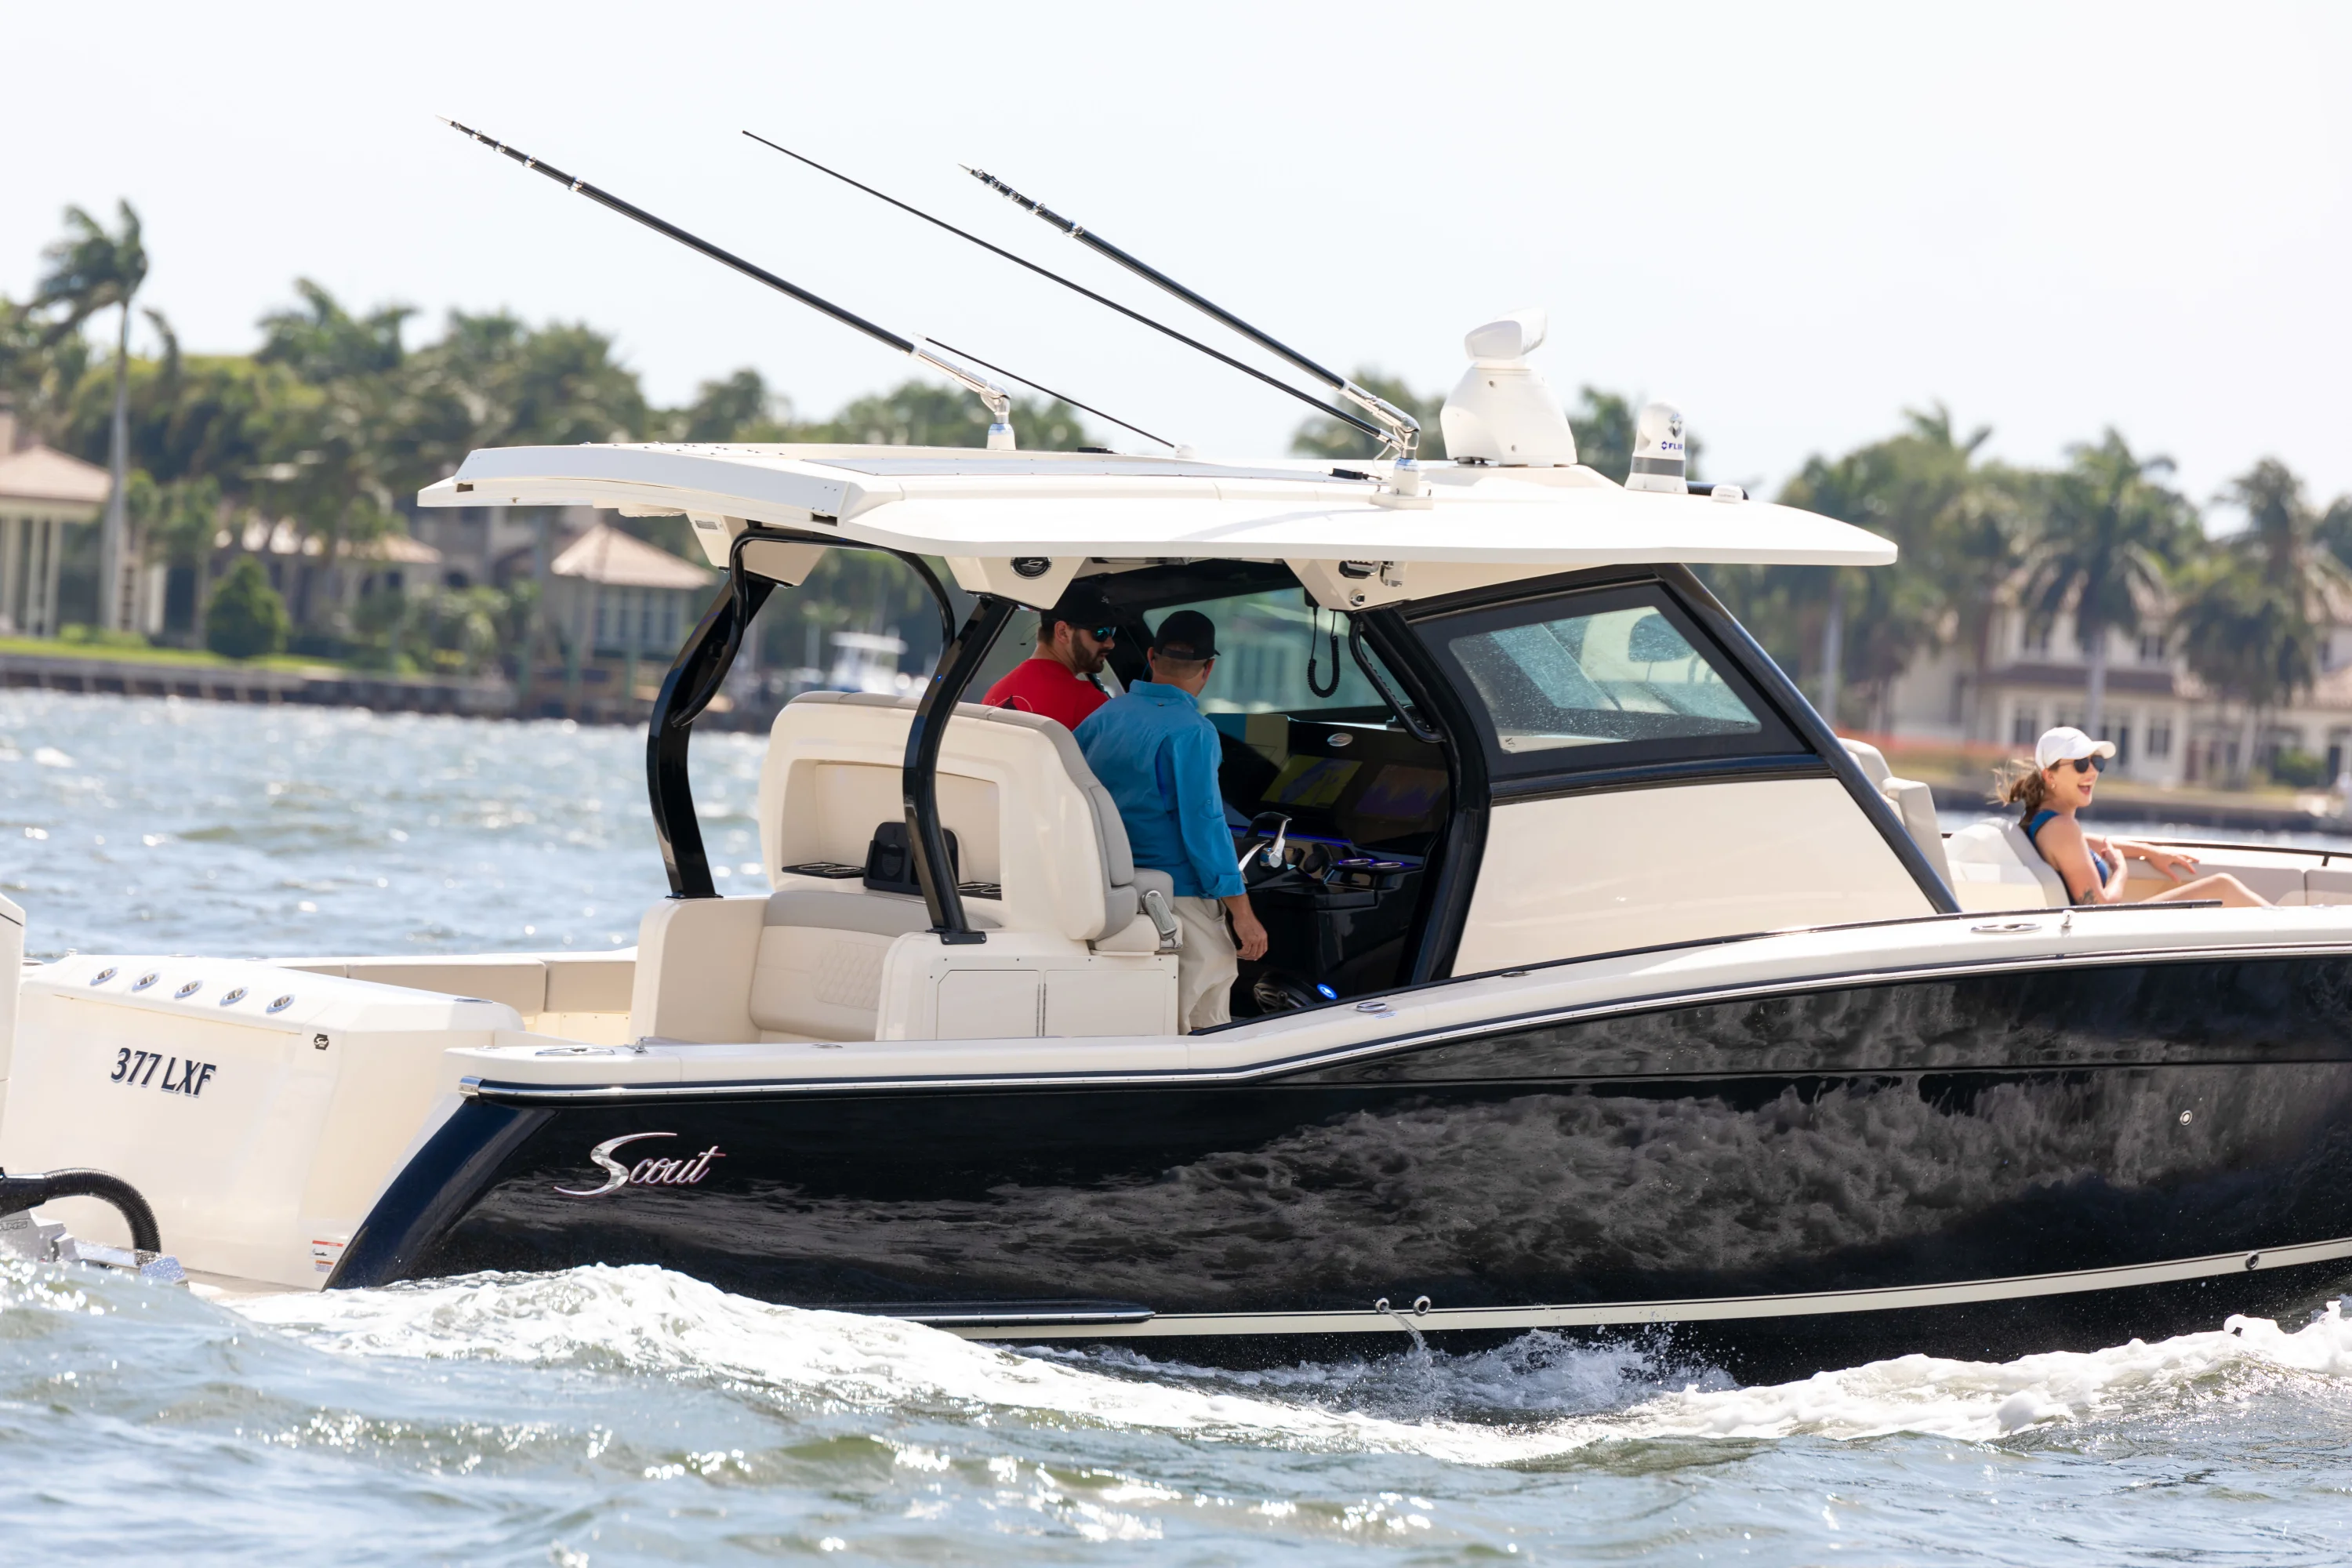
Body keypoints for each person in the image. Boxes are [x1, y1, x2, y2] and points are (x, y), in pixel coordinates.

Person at [1076, 609, 1269, 1030]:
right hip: (1176, 892)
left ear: (1151, 656)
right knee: (1205, 999)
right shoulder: (1193, 731)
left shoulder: (1105, 716)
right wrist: (1243, 913)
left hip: (1107, 886)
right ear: (1209, 668)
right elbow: (1205, 827)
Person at [1996, 725, 2267, 907]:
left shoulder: (2043, 821)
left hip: (2106, 934)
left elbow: (2094, 843)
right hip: (2108, 937)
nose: (2092, 772)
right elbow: (2099, 908)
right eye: (2080, 764)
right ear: (2049, 776)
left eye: (2096, 762)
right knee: (2222, 887)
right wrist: (2120, 869)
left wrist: (2150, 852)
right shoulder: (2063, 828)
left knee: (2221, 888)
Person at [982, 583, 1120, 731]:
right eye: (1100, 632)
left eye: (1112, 631)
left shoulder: (995, 694)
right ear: (1062, 632)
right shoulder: (1086, 702)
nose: (1110, 644)